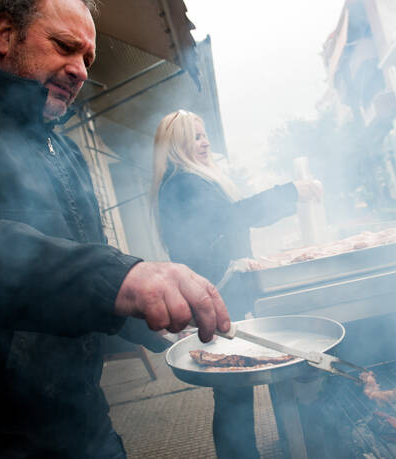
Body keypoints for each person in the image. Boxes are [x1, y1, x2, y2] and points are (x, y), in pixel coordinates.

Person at [0, 0, 231, 457]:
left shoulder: (65, 151)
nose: (78, 70)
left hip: (91, 426)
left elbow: (85, 271)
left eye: (87, 60)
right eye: (63, 47)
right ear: (5, 34)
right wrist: (122, 278)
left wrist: (149, 319)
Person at [150, 109, 323, 458]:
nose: (205, 141)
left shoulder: (187, 180)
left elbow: (222, 232)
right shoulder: (183, 183)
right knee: (232, 394)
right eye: (195, 136)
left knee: (233, 391)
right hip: (215, 298)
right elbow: (231, 216)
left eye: (204, 134)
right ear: (176, 144)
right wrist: (292, 193)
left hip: (220, 295)